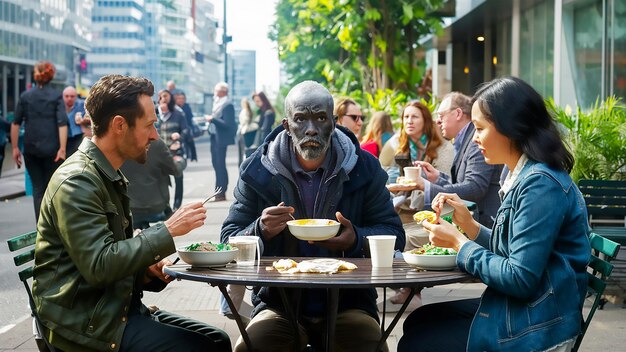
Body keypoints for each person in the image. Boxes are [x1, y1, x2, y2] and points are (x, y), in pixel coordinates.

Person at [32, 74, 231, 351]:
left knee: (218, 340)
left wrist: (147, 271)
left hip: (112, 308)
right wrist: (168, 229)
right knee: (204, 348)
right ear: (119, 125)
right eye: (149, 125)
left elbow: (108, 258)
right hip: (83, 322)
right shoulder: (77, 181)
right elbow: (99, 265)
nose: (155, 135)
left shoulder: (106, 173)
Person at [398, 77, 591, 352]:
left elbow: (519, 278)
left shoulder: (540, 184)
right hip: (525, 308)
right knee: (419, 320)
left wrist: (459, 243)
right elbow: (517, 252)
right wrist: (470, 226)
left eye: (479, 128)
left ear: (511, 129)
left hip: (539, 323)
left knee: (418, 342)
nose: (475, 138)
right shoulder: (522, 175)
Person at [221, 80, 405, 352]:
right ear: (286, 125)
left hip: (349, 302)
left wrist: (356, 239)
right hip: (279, 303)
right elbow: (227, 239)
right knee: (250, 347)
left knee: (370, 345)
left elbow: (395, 235)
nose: (310, 129)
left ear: (333, 122)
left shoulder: (364, 168)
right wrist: (260, 229)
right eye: (300, 119)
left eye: (320, 118)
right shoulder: (257, 171)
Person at [412, 92, 502, 227]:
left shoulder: (475, 140)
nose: (437, 121)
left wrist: (427, 187)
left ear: (458, 113)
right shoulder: (466, 138)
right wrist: (437, 178)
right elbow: (464, 183)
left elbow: (475, 187)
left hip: (485, 225)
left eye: (441, 115)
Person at [10, 60, 67, 221]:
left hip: (31, 148)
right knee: (52, 188)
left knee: (38, 189)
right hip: (52, 149)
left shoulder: (26, 96)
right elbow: (62, 123)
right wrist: (62, 148)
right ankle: (52, 226)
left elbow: (16, 123)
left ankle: (40, 227)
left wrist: (15, 148)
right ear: (51, 76)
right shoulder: (56, 96)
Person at [380, 101, 454, 218]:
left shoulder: (443, 147)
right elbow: (384, 178)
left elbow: (448, 184)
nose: (409, 121)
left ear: (426, 121)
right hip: (402, 207)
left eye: (415, 117)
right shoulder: (396, 145)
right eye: (406, 117)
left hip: (435, 209)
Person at [121, 138, 186, 229]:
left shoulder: (117, 143)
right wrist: (181, 161)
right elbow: (174, 169)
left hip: (130, 208)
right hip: (156, 207)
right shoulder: (155, 143)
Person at [158, 89, 189, 210]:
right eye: (161, 97)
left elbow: (186, 130)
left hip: (175, 151)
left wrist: (179, 137)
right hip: (159, 152)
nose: (164, 99)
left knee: (178, 176)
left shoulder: (178, 114)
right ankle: (165, 206)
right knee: (161, 179)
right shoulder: (155, 114)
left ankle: (177, 205)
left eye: (166, 96)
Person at [206, 82, 236, 201]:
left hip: (221, 139)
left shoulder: (227, 105)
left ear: (223, 91)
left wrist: (213, 119)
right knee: (216, 164)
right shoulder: (218, 103)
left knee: (220, 165)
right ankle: (218, 192)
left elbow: (228, 124)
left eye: (217, 90)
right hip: (214, 137)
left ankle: (221, 192)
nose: (215, 92)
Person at [174, 91, 198, 162]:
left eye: (183, 98)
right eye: (179, 98)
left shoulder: (187, 106)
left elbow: (190, 118)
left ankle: (193, 156)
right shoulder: (175, 107)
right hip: (178, 128)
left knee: (190, 141)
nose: (181, 100)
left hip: (187, 127)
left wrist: (190, 128)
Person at [63, 86, 86, 155]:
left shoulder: (82, 105)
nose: (69, 98)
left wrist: (83, 120)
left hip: (76, 137)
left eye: (72, 96)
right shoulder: (58, 106)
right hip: (61, 138)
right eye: (66, 96)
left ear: (76, 96)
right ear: (63, 96)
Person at [237, 97, 258, 164]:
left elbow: (244, 121)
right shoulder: (249, 110)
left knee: (244, 150)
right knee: (247, 149)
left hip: (244, 131)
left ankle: (244, 163)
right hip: (248, 131)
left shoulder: (245, 111)